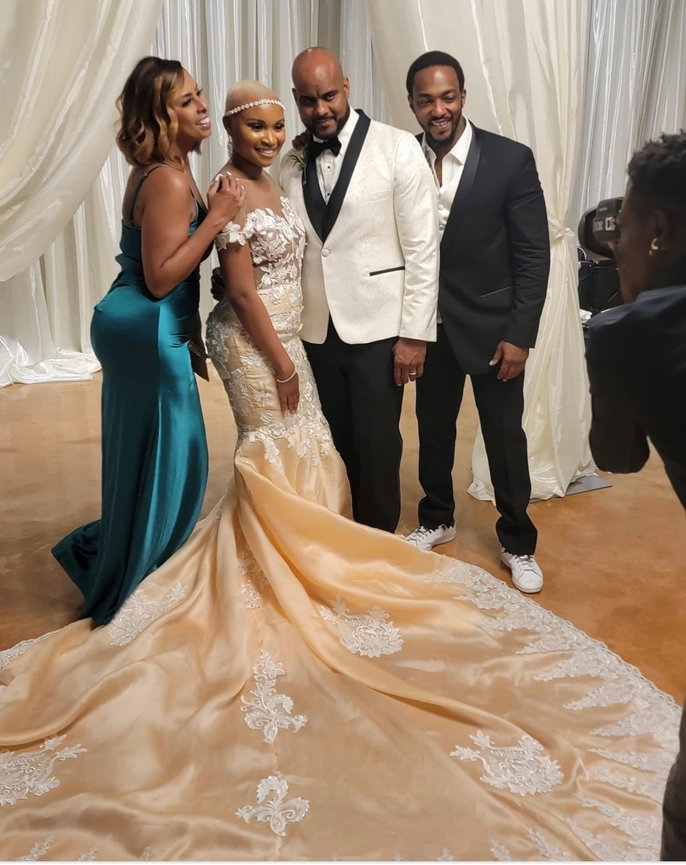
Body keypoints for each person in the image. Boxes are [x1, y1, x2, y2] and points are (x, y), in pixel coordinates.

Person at [0, 79, 676, 860]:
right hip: (264, 344)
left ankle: (315, 557)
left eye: (283, 120)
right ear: (231, 125)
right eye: (262, 120)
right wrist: (277, 359)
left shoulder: (289, 168)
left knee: (318, 452)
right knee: (279, 452)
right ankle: (268, 565)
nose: (278, 131)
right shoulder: (219, 186)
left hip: (308, 334)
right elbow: (233, 284)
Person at [51, 56, 245, 625]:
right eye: (187, 101)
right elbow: (162, 277)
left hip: (136, 320)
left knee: (147, 453)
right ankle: (142, 583)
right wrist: (216, 219)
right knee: (178, 457)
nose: (203, 106)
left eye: (200, 94)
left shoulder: (167, 167)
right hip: (147, 326)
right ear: (161, 116)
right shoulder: (167, 177)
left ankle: (124, 555)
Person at [403, 51, 550, 596]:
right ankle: (437, 516)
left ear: (462, 96)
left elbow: (534, 255)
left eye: (447, 97)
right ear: (413, 103)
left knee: (504, 438)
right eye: (426, 99)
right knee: (433, 428)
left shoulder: (510, 160)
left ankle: (518, 542)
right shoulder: (402, 157)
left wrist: (520, 334)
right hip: (427, 325)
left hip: (493, 330)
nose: (438, 109)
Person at [278, 46, 439, 533]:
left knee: (378, 444)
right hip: (316, 328)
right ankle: (344, 538)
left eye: (328, 95)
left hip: (380, 328)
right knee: (332, 441)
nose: (320, 109)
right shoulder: (289, 162)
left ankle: (378, 547)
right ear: (296, 100)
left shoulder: (397, 147)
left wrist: (414, 335)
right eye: (308, 101)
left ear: (346, 87)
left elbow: (424, 248)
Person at [583, 130, 686, 861]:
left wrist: (616, 317)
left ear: (658, 232)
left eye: (625, 225)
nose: (615, 242)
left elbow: (615, 454)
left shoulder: (627, 333)